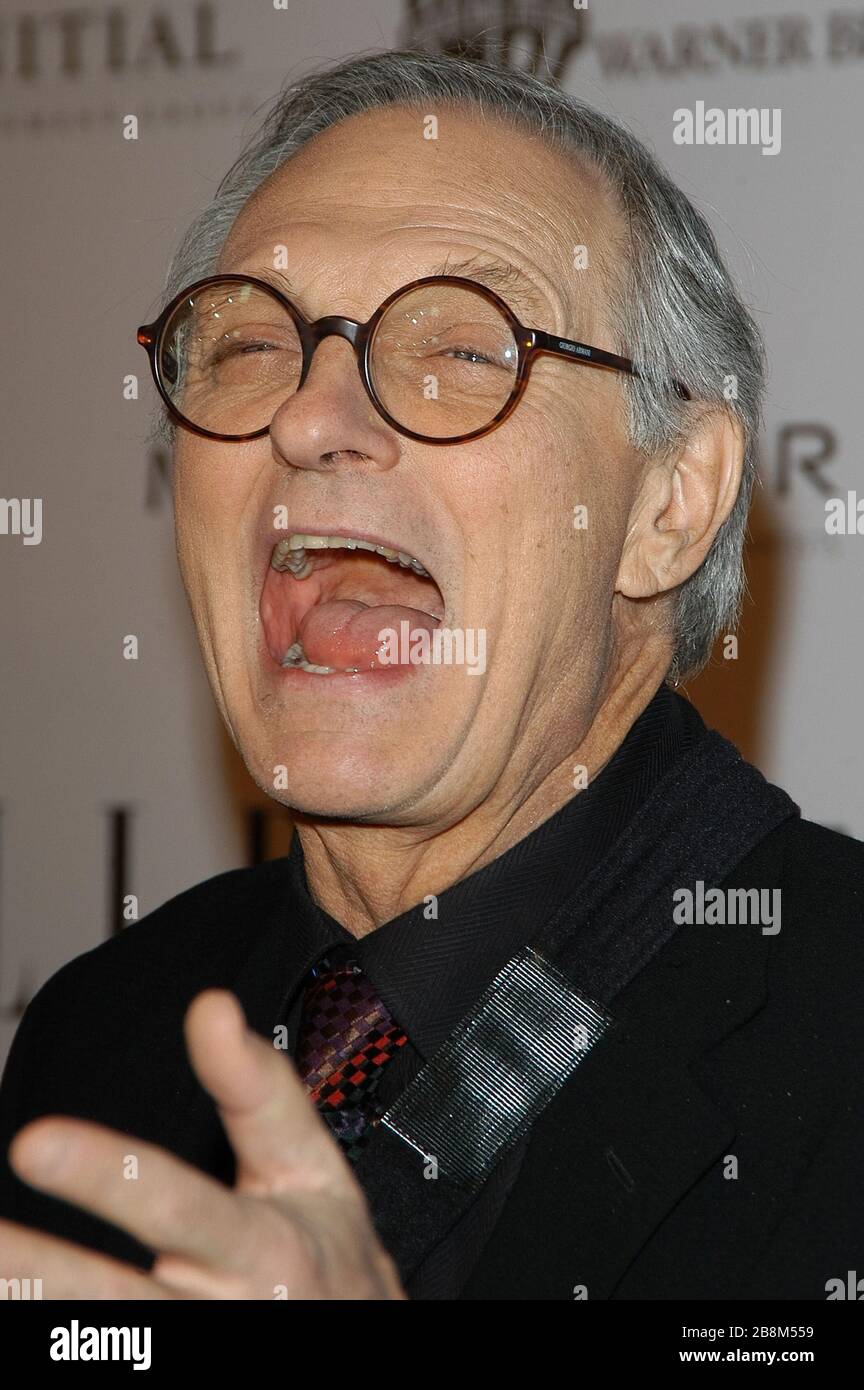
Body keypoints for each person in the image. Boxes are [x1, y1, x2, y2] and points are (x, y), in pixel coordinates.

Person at [1, 48, 861, 1302]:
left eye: (464, 348)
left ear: (670, 504)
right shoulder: (102, 1030)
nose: (308, 416)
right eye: (247, 343)